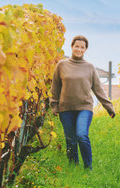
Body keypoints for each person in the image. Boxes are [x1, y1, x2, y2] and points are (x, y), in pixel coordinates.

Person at [50, 35, 116, 170]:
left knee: (81, 135)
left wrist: (109, 107)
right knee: (70, 139)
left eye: (82, 47)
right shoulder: (62, 65)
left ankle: (88, 167)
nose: (79, 49)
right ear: (72, 47)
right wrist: (54, 105)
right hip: (65, 108)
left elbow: (98, 89)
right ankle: (73, 166)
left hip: (84, 107)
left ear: (85, 49)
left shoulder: (89, 67)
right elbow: (55, 86)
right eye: (77, 46)